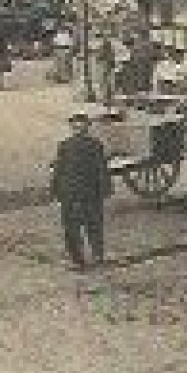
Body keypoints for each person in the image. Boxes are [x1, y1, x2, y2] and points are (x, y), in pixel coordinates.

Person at [49, 110, 111, 270]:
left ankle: (82, 258)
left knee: (79, 226)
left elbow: (58, 169)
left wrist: (55, 190)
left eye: (80, 127)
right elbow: (101, 169)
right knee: (88, 225)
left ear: (86, 128)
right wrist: (105, 189)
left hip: (77, 192)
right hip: (81, 192)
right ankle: (90, 256)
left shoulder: (72, 145)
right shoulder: (91, 145)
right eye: (76, 127)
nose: (78, 130)